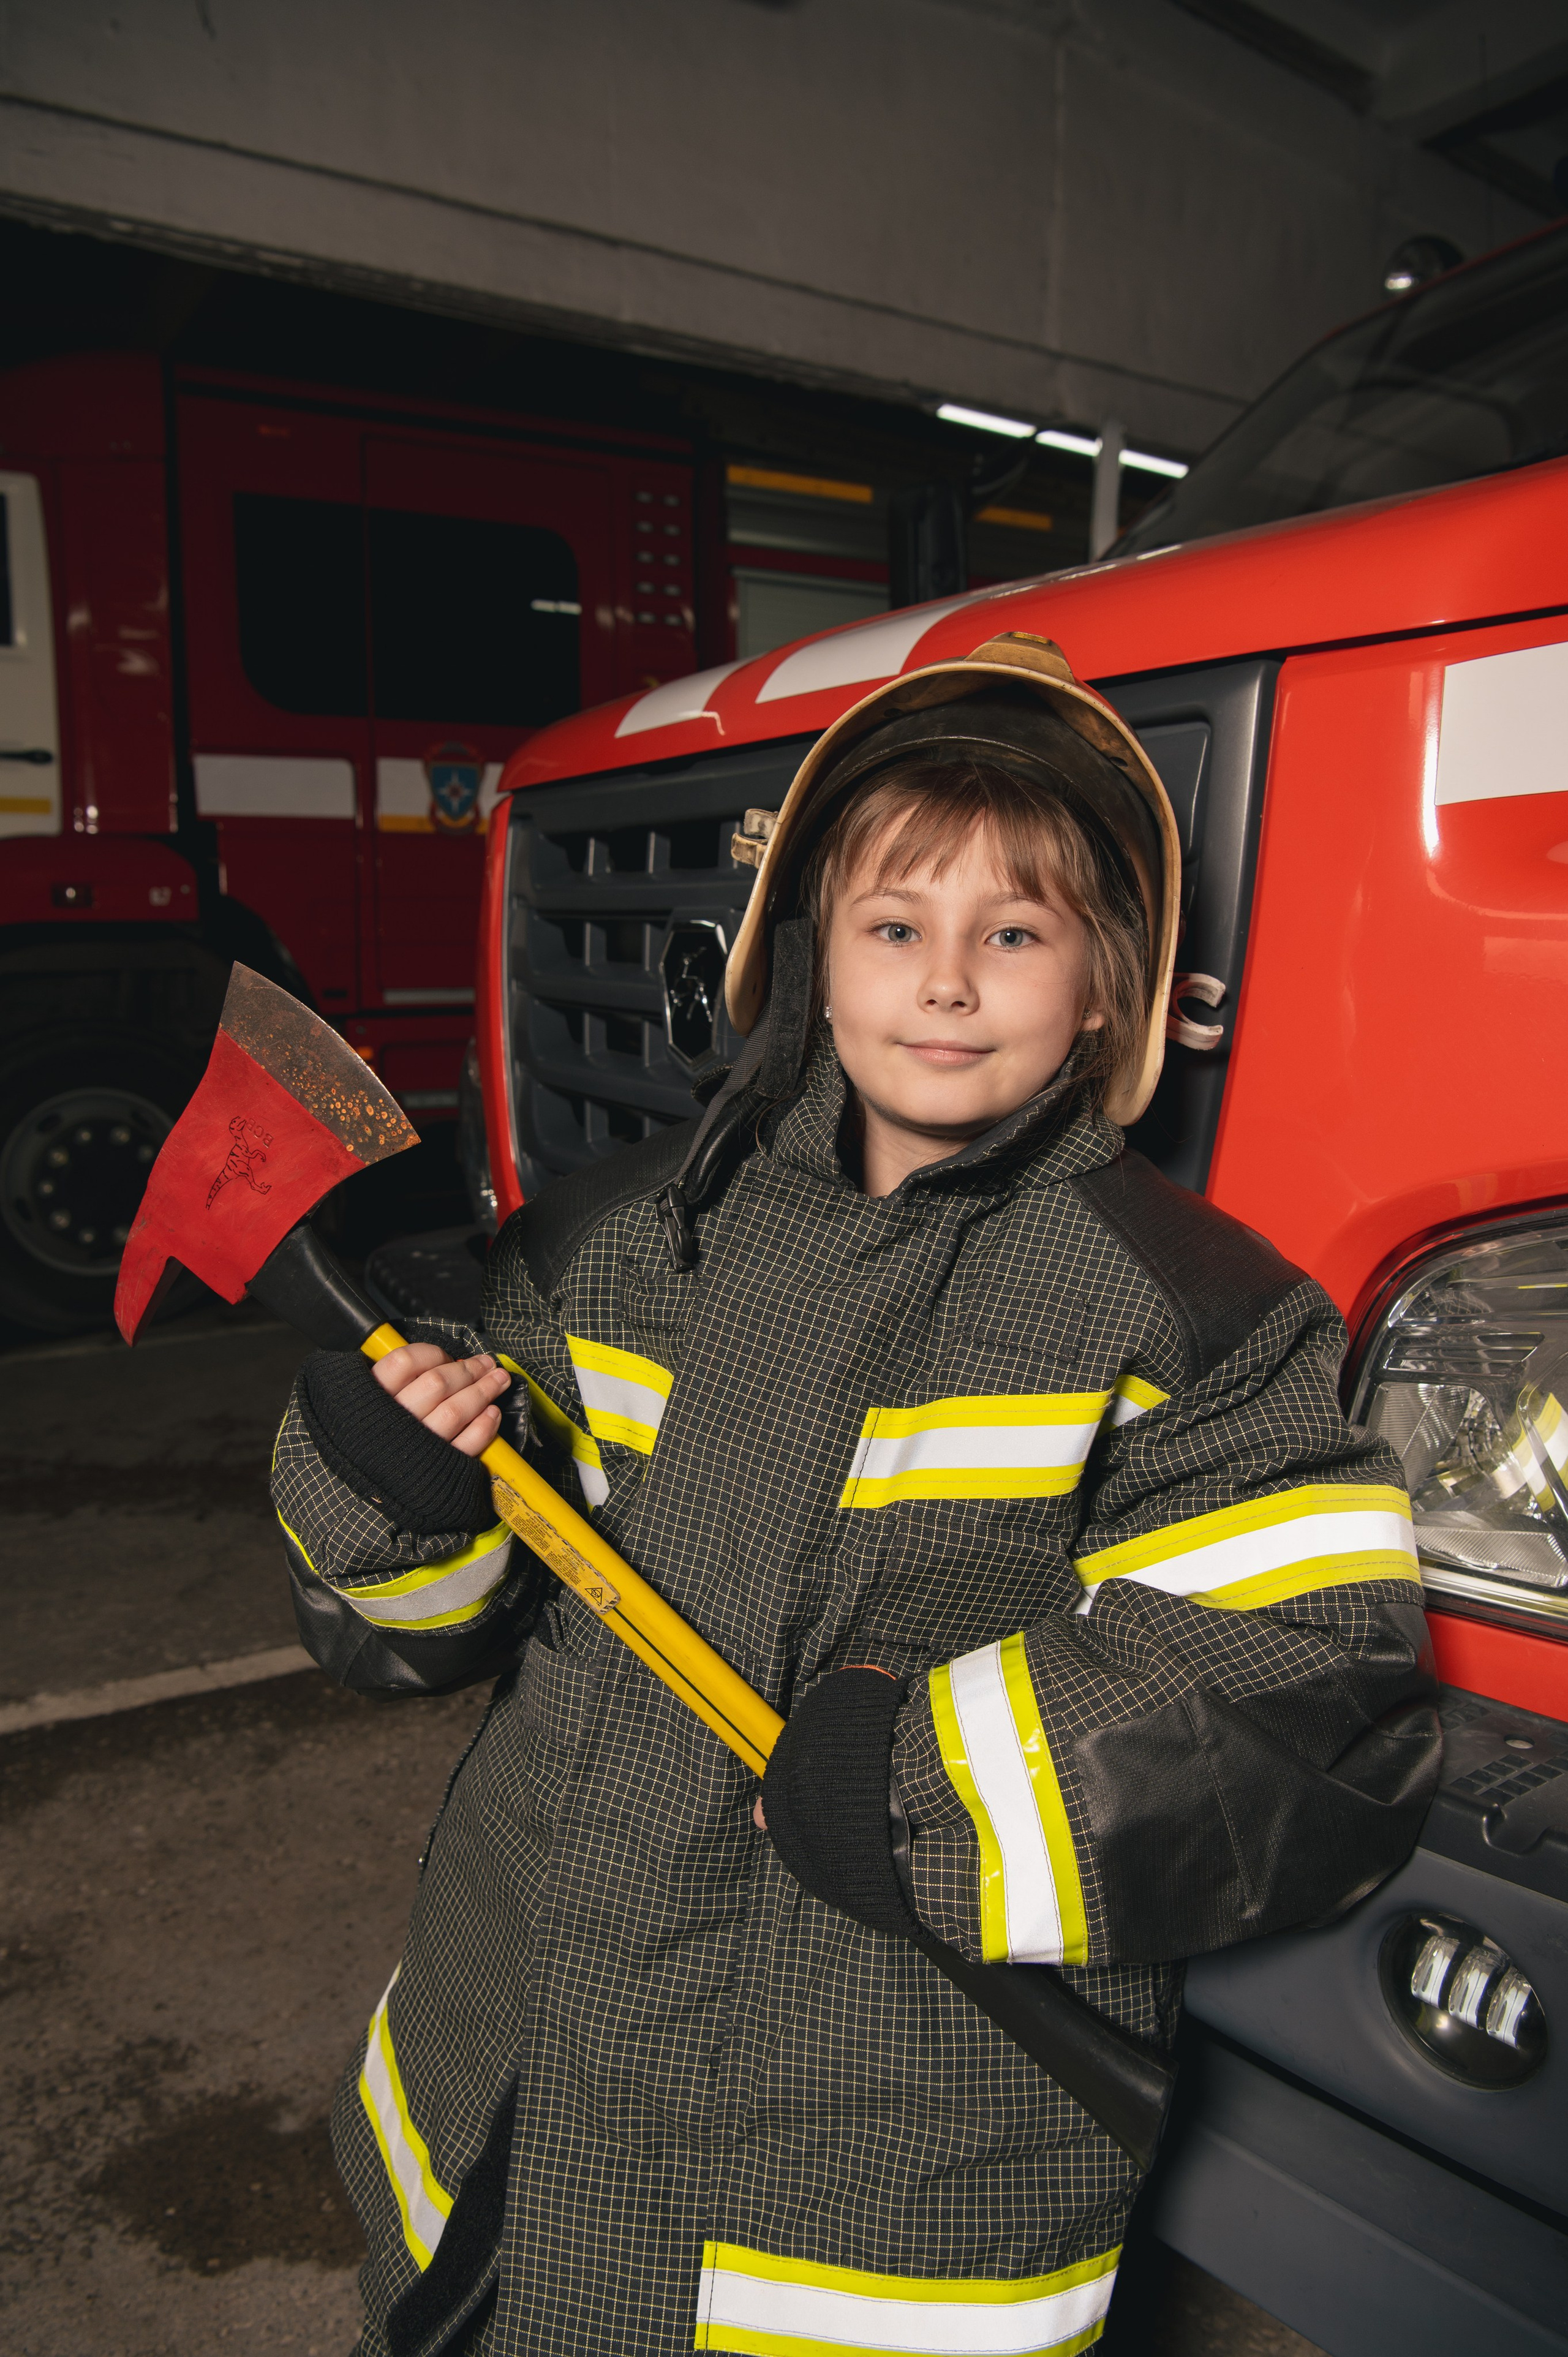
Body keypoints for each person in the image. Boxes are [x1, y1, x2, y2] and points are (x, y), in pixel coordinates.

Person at [273, 632, 1441, 2357]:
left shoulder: (1179, 1313)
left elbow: (1308, 1675)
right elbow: (419, 1631)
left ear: (1107, 990)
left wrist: (928, 1785)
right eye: (898, 928)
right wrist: (391, 1493)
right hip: (515, 2051)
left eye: (1015, 935)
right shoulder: (623, 1235)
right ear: (814, 962)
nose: (948, 984)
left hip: (866, 2131)